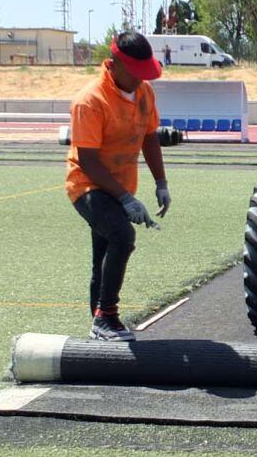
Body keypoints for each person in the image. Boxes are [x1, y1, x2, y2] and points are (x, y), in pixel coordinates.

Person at [65, 31, 172, 341]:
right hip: (87, 184)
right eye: (135, 73)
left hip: (120, 185)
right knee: (122, 236)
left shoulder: (144, 94)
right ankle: (106, 317)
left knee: (104, 254)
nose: (140, 80)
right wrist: (125, 199)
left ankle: (99, 323)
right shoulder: (90, 101)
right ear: (114, 65)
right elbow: (88, 160)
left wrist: (161, 183)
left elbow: (150, 137)